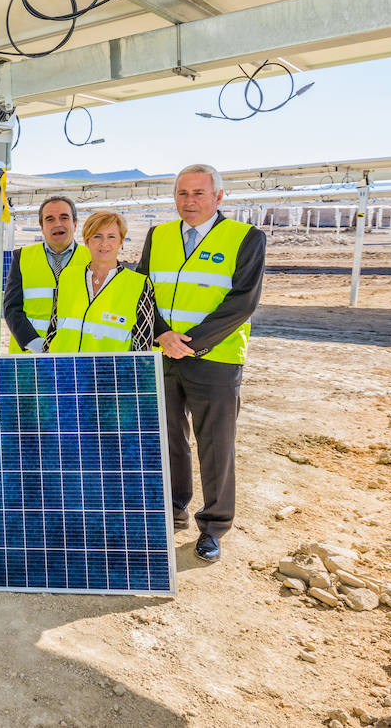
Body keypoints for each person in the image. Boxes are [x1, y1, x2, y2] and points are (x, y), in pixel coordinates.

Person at [134, 164, 266, 564]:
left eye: (198, 194)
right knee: (168, 436)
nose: (188, 202)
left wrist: (190, 343)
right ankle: (173, 508)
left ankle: (214, 527)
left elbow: (242, 302)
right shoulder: (159, 236)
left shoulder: (245, 238)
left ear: (218, 197)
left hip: (215, 359)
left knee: (216, 444)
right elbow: (142, 291)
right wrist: (160, 334)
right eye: (182, 194)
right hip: (163, 352)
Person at [44, 210, 156, 352]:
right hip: (63, 371)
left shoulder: (139, 285)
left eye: (111, 237)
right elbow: (53, 329)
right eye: (97, 236)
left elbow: (143, 345)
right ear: (86, 241)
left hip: (109, 373)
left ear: (121, 242)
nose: (104, 243)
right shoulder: (67, 276)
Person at [3, 196, 91, 353]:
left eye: (64, 218)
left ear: (75, 224)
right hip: (29, 359)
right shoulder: (22, 257)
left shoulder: (92, 259)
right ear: (42, 227)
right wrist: (34, 343)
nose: (57, 224)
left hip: (75, 356)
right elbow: (11, 308)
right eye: (49, 219)